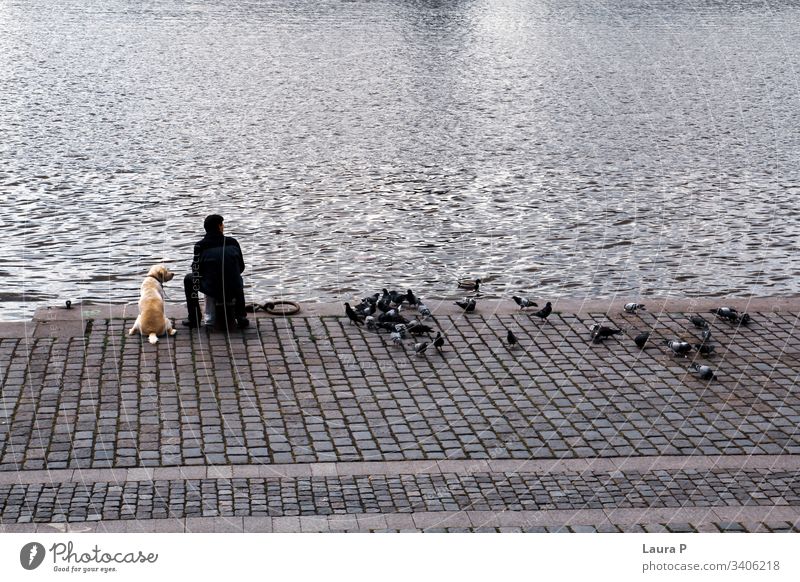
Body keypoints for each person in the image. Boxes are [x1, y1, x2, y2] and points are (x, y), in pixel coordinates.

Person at [183, 214, 250, 329]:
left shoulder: (200, 245)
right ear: (219, 226)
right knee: (237, 277)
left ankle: (194, 319)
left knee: (189, 279)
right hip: (233, 288)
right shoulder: (233, 242)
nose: (223, 227)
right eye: (222, 224)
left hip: (212, 288)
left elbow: (196, 271)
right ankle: (241, 316)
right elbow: (241, 267)